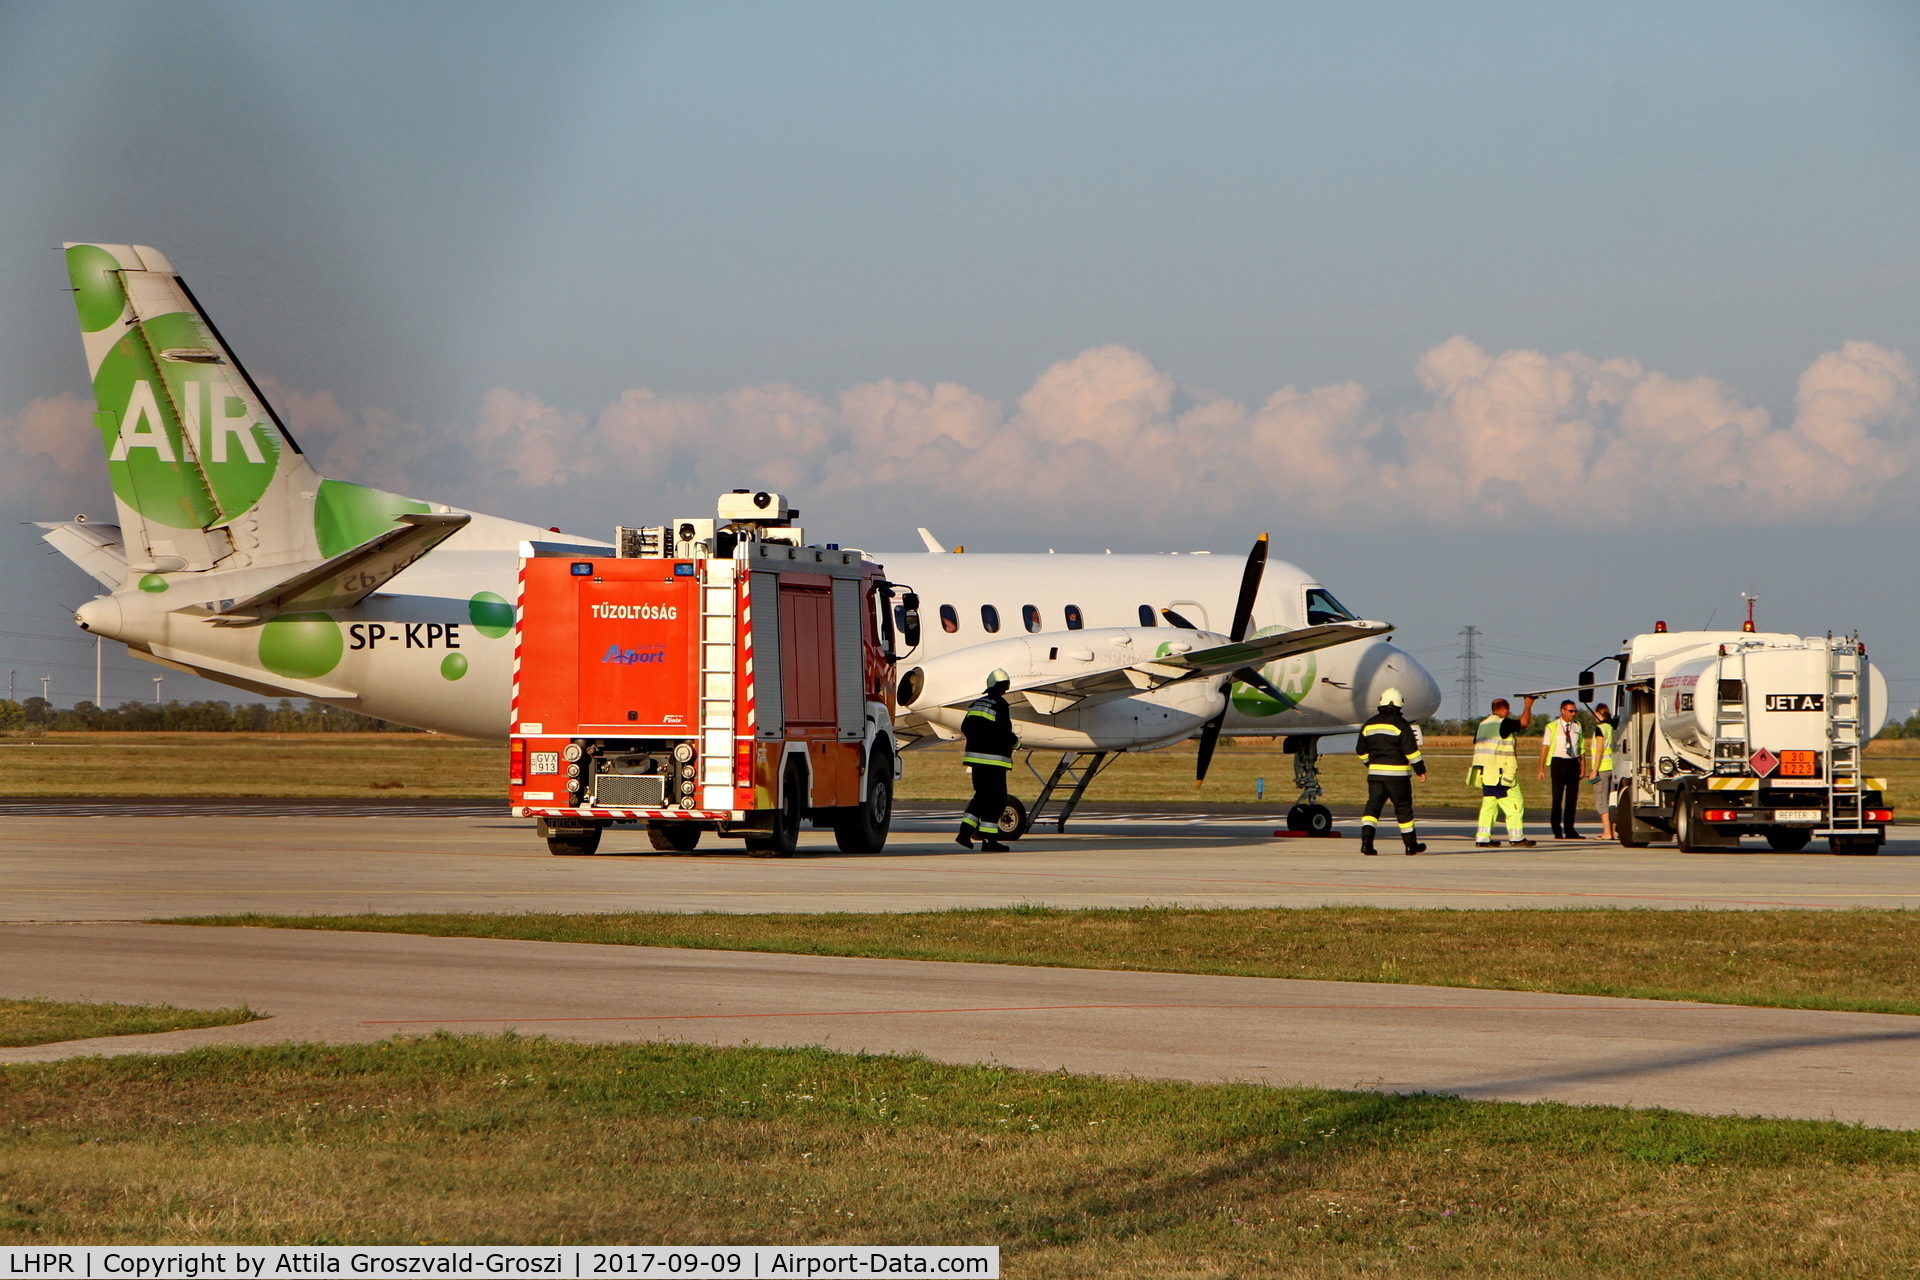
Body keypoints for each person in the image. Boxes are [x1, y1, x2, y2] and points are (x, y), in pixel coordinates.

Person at [1353, 688, 1426, 855]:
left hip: (1375, 775)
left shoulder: (1369, 724)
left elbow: (1360, 750)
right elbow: (1411, 752)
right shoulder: (1401, 724)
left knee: (1372, 808)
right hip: (1398, 776)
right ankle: (1410, 845)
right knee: (1403, 809)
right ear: (1400, 705)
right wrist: (1420, 770)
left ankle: (1366, 844)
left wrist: (1370, 764)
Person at [957, 668, 1018, 852]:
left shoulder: (976, 704)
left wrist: (979, 742)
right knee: (997, 800)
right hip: (994, 761)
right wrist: (1016, 742)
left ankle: (964, 833)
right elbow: (1003, 732)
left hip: (976, 760)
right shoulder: (1001, 705)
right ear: (1006, 686)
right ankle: (989, 841)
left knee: (981, 797)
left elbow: (965, 727)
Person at [1467, 695, 1538, 848]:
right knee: (1514, 803)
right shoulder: (1502, 723)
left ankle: (1483, 837)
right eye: (1507, 710)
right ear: (1504, 709)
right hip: (1501, 773)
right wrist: (1528, 705)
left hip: (1486, 773)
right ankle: (1516, 836)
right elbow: (1523, 723)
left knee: (1489, 806)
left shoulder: (1483, 725)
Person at [1538, 699, 1585, 839]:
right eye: (1571, 711)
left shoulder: (1577, 726)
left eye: (1575, 711)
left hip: (1573, 762)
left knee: (1572, 798)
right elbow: (1545, 748)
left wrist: (1583, 767)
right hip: (1558, 762)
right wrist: (1540, 769)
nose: (1573, 713)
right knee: (1557, 797)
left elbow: (1582, 748)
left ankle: (1570, 829)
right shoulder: (1552, 726)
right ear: (1562, 711)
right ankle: (1556, 829)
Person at [1589, 702, 1616, 840]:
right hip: (1612, 766)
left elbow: (1599, 749)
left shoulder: (1600, 729)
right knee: (1611, 801)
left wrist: (1595, 769)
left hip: (1602, 768)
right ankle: (1612, 831)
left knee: (1601, 801)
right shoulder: (1611, 728)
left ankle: (1606, 832)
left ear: (1599, 714)